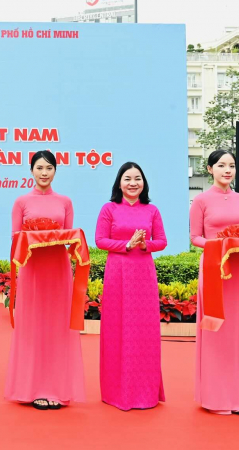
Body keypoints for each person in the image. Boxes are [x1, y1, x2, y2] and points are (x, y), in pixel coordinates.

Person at [5, 150, 85, 410]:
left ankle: (56, 388)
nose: (44, 173)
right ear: (31, 170)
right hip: (32, 269)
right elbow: (16, 238)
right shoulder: (20, 202)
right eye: (39, 168)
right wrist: (36, 238)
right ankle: (31, 388)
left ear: (55, 171)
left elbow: (70, 237)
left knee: (57, 327)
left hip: (58, 269)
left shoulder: (65, 201)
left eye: (49, 168)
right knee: (32, 327)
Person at [95, 162, 167, 411]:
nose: (133, 183)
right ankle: (116, 391)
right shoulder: (109, 208)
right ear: (119, 183)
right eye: (127, 178)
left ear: (143, 183)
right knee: (117, 328)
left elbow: (162, 241)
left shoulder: (152, 210)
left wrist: (145, 244)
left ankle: (144, 392)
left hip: (143, 274)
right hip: (117, 272)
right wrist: (126, 244)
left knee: (143, 331)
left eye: (138, 178)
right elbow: (100, 240)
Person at [189, 150, 239, 415]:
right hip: (215, 266)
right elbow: (195, 237)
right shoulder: (201, 200)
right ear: (210, 169)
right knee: (216, 329)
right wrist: (220, 245)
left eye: (232, 166)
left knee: (238, 330)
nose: (227, 170)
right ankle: (215, 398)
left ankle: (238, 398)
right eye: (221, 165)